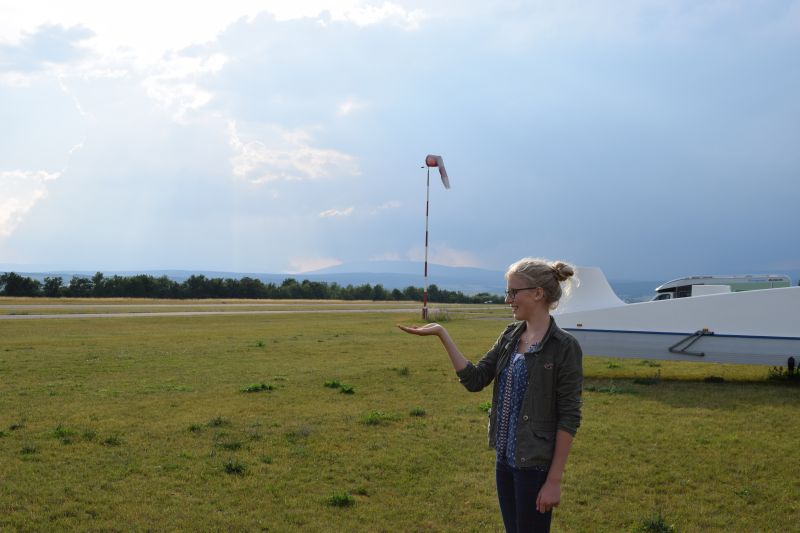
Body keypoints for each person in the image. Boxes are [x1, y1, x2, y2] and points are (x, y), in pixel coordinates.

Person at [398, 258, 583, 533]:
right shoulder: (510, 336)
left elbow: (569, 416)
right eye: (508, 292)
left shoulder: (564, 347)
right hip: (505, 460)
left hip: (534, 466)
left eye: (513, 292)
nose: (508, 300)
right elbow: (475, 380)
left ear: (537, 293)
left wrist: (554, 480)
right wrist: (442, 334)